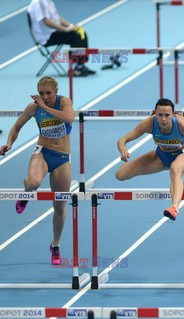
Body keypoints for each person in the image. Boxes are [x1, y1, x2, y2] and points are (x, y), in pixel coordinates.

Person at [0, 76, 74, 265]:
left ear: (55, 92)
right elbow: (16, 127)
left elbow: (69, 118)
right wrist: (9, 143)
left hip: (62, 158)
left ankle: (55, 246)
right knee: (33, 183)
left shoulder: (64, 102)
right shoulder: (33, 108)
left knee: (59, 206)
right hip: (43, 152)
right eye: (41, 93)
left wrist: (45, 106)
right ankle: (26, 194)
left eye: (48, 93)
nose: (45, 97)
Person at [115, 98, 184, 221]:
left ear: (173, 114)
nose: (163, 119)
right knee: (120, 175)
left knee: (175, 169)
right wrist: (123, 149)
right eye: (160, 115)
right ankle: (127, 168)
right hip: (161, 155)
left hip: (183, 154)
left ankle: (174, 208)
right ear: (155, 113)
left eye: (167, 115)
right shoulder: (149, 123)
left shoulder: (183, 124)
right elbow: (122, 140)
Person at [28, 0, 96, 77]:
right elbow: (46, 21)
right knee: (75, 36)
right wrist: (64, 29)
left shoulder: (48, 1)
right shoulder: (39, 2)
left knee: (81, 32)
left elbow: (56, 18)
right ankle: (74, 69)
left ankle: (80, 65)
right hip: (45, 37)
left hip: (52, 32)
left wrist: (71, 26)